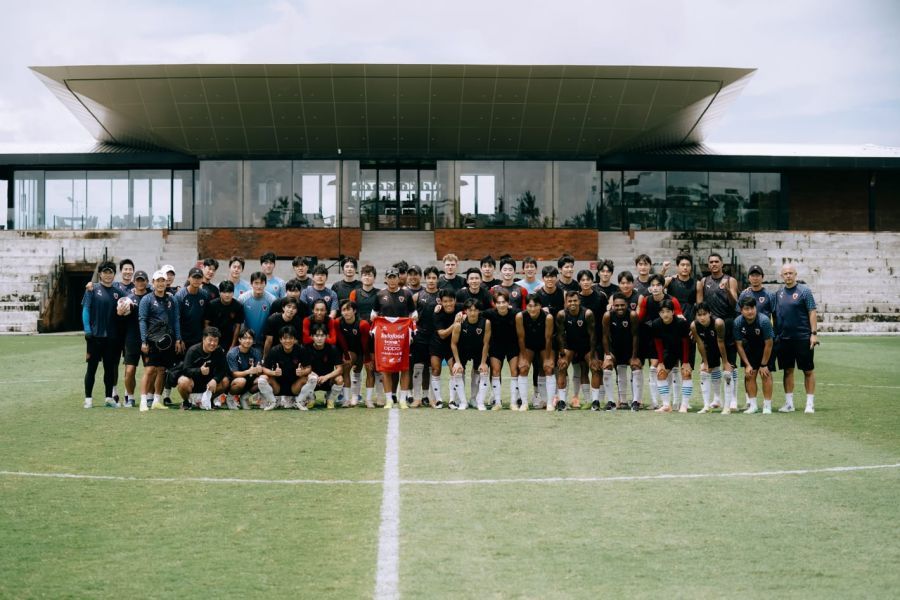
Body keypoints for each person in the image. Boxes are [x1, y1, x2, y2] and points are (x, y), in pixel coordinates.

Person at [774, 263, 818, 414]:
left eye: (791, 273)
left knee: (808, 370)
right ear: (781, 276)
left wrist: (813, 333)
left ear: (795, 275)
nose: (788, 276)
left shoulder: (804, 291)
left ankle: (810, 404)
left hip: (803, 337)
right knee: (787, 371)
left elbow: (812, 311)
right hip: (784, 339)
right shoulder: (778, 293)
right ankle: (789, 404)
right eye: (785, 273)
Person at [697, 252, 739, 410]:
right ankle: (716, 398)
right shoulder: (703, 281)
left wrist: (728, 290)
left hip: (728, 323)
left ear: (722, 264)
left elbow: (735, 303)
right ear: (708, 265)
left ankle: (733, 399)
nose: (714, 264)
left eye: (716, 261)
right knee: (712, 364)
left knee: (730, 363)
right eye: (711, 262)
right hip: (710, 325)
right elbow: (699, 305)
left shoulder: (730, 280)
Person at [371, 266, 417, 409]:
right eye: (389, 277)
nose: (392, 280)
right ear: (385, 279)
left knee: (404, 367)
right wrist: (372, 316)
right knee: (386, 368)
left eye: (394, 277)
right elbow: (374, 312)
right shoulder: (379, 295)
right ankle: (389, 399)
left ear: (399, 278)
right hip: (386, 337)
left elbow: (412, 311)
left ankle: (402, 399)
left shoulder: (406, 294)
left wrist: (414, 316)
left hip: (402, 337)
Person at [636, 274, 684, 409]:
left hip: (671, 338)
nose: (655, 288)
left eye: (658, 285)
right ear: (650, 288)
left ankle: (676, 402)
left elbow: (680, 316)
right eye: (653, 285)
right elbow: (639, 318)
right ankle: (655, 402)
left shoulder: (672, 300)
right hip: (654, 337)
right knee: (653, 368)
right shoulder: (646, 300)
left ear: (663, 287)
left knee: (674, 368)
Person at [81, 260, 123, 408]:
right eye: (105, 272)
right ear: (100, 274)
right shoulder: (92, 289)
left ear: (114, 274)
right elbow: (86, 309)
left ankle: (108, 398)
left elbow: (130, 300)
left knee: (109, 369)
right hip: (95, 337)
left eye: (110, 272)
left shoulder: (118, 292)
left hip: (111, 338)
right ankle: (88, 399)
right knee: (91, 368)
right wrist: (87, 330)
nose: (108, 275)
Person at [138, 270, 180, 412]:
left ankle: (157, 400)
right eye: (158, 281)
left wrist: (178, 338)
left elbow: (176, 321)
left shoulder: (171, 299)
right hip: (152, 340)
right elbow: (142, 321)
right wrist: (144, 341)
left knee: (162, 370)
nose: (161, 283)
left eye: (163, 280)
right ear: (153, 282)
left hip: (168, 341)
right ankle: (143, 401)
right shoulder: (147, 299)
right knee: (150, 370)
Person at [664, 253, 699, 408]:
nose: (685, 267)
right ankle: (672, 400)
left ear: (691, 267)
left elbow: (700, 306)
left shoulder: (696, 284)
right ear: (677, 266)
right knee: (670, 367)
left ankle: (684, 402)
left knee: (687, 366)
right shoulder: (670, 282)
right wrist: (663, 272)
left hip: (689, 328)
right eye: (682, 265)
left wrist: (695, 327)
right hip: (672, 328)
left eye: (688, 265)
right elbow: (654, 287)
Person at [555, 291, 597, 411]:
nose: (572, 303)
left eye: (575, 300)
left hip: (586, 346)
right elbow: (560, 335)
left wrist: (593, 355)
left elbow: (593, 335)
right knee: (562, 366)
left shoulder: (587, 313)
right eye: (569, 301)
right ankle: (562, 401)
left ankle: (593, 401)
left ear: (579, 301)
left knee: (594, 368)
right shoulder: (561, 314)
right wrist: (562, 353)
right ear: (566, 303)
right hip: (570, 346)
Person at [734, 295, 776, 415]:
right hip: (749, 349)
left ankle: (767, 405)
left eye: (752, 308)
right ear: (741, 310)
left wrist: (764, 364)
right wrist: (747, 365)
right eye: (746, 309)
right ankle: (753, 405)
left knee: (766, 375)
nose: (750, 311)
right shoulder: (738, 322)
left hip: (765, 349)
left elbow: (769, 343)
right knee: (750, 375)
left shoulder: (764, 320)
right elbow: (739, 345)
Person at [649, 299, 692, 413]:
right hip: (670, 349)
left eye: (668, 311)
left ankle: (684, 405)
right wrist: (661, 362)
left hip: (685, 349)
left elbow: (686, 343)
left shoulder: (681, 323)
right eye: (662, 312)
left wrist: (686, 362)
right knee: (661, 373)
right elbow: (658, 343)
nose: (665, 314)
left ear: (673, 312)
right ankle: (666, 405)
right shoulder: (656, 324)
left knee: (686, 373)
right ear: (659, 314)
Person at [601, 292, 641, 411]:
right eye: (617, 305)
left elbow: (635, 336)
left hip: (629, 349)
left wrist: (634, 356)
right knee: (607, 366)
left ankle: (635, 402)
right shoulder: (607, 316)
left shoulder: (632, 315)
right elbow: (605, 336)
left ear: (627, 304)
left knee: (636, 366)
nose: (619, 308)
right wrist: (608, 354)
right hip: (614, 349)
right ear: (613, 305)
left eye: (622, 305)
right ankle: (611, 402)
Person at [451, 299, 492, 410]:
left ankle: (478, 401)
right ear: (466, 311)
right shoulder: (459, 324)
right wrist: (458, 362)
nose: (473, 313)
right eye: (470, 310)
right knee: (458, 371)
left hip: (479, 350)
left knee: (483, 371)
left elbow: (486, 344)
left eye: (475, 310)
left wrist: (483, 363)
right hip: (462, 350)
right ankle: (463, 402)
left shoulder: (486, 323)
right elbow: (453, 344)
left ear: (479, 311)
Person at [576, 268, 608, 407]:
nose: (586, 282)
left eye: (588, 279)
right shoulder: (576, 298)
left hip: (598, 338)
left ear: (592, 281)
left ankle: (598, 400)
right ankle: (588, 400)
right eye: (583, 280)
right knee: (583, 368)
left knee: (597, 368)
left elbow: (604, 319)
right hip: (580, 339)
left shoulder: (600, 296)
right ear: (579, 282)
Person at [516, 295, 555, 410]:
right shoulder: (520, 316)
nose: (533, 309)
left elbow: (548, 338)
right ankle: (524, 403)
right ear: (526, 306)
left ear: (540, 306)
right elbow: (521, 338)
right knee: (523, 367)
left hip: (544, 345)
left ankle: (548, 403)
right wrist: (523, 357)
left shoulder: (548, 317)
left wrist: (547, 358)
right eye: (530, 306)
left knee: (548, 367)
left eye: (536, 306)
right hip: (528, 345)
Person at [175, 327, 229, 410]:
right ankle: (186, 402)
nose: (212, 343)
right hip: (193, 384)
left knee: (225, 381)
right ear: (203, 339)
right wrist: (199, 370)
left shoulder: (219, 351)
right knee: (182, 381)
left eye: (215, 341)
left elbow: (223, 369)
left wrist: (215, 379)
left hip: (210, 384)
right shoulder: (193, 350)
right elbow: (185, 370)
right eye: (210, 340)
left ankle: (209, 400)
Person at [691, 302, 730, 414]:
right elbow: (700, 344)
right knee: (704, 372)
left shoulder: (718, 323)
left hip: (726, 345)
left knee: (727, 373)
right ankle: (707, 405)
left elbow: (721, 342)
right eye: (699, 315)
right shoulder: (694, 326)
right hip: (710, 346)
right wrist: (705, 362)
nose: (702, 317)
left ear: (710, 314)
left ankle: (727, 407)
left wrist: (725, 362)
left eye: (704, 314)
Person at [350, 264, 381, 404]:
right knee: (357, 366)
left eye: (370, 275)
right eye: (365, 275)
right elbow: (350, 313)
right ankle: (355, 396)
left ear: (374, 278)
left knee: (373, 367)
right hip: (357, 334)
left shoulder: (380, 293)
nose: (367, 277)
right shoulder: (355, 293)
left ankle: (373, 398)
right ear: (361, 277)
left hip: (374, 335)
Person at [119, 270, 151, 407]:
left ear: (147, 282)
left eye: (143, 280)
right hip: (131, 338)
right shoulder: (127, 299)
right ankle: (130, 397)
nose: (140, 282)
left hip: (148, 338)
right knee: (130, 370)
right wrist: (120, 313)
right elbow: (119, 317)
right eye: (138, 280)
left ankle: (149, 397)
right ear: (134, 282)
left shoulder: (151, 298)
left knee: (150, 369)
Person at [484, 288, 519, 410]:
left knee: (514, 372)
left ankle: (514, 402)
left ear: (508, 302)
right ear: (494, 304)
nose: (501, 305)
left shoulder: (516, 313)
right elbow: (474, 313)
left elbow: (530, 313)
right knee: (495, 372)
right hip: (496, 346)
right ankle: (497, 402)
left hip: (512, 346)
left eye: (504, 302)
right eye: (498, 302)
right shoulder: (489, 313)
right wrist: (461, 314)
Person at [429, 288, 464, 409]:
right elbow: (442, 334)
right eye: (445, 301)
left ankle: (452, 401)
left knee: (453, 370)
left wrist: (464, 314)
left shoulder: (461, 308)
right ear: (441, 302)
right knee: (436, 369)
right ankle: (438, 400)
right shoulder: (437, 312)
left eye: (450, 300)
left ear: (455, 300)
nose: (448, 304)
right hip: (437, 343)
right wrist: (455, 323)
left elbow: (475, 309)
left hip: (452, 345)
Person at [410, 267, 440, 407]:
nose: (432, 280)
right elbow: (410, 316)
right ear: (425, 279)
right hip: (420, 335)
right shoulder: (417, 296)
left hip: (436, 336)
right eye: (429, 278)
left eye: (434, 278)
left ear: (437, 279)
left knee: (432, 367)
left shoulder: (441, 297)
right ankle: (416, 398)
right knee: (418, 366)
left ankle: (429, 397)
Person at [297, 325, 345, 410]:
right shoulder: (305, 349)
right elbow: (302, 368)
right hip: (311, 379)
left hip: (327, 380)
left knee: (340, 379)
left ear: (327, 336)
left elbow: (340, 369)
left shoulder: (333, 349)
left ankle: (330, 399)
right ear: (312, 336)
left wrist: (326, 377)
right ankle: (311, 398)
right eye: (317, 335)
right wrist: (313, 376)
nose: (319, 338)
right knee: (301, 376)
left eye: (322, 336)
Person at [335, 300, 371, 408]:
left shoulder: (363, 324)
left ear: (354, 311)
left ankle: (356, 397)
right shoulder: (337, 322)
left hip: (361, 349)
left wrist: (367, 359)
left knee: (358, 371)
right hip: (346, 349)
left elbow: (365, 343)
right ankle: (346, 399)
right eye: (343, 310)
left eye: (348, 309)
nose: (346, 312)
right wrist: (346, 355)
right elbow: (341, 340)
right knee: (345, 369)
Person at [259, 326, 304, 410]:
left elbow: (309, 368)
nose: (288, 341)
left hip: (295, 386)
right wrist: (273, 373)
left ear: (294, 339)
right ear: (280, 340)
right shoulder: (274, 350)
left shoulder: (300, 350)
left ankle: (300, 401)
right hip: (277, 386)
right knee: (262, 379)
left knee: (312, 377)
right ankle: (272, 401)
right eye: (285, 338)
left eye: (291, 338)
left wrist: (302, 372)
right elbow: (264, 369)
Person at [226, 327, 264, 409]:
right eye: (244, 338)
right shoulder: (232, 353)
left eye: (250, 338)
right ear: (239, 339)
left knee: (263, 380)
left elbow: (259, 370)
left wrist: (259, 370)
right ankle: (230, 399)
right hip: (234, 382)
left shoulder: (256, 352)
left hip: (250, 380)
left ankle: (244, 398)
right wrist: (248, 371)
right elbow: (234, 374)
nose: (247, 340)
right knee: (241, 381)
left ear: (253, 340)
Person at [238, 271, 276, 351]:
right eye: (256, 283)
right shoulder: (242, 299)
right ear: (251, 284)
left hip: (263, 341)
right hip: (246, 340)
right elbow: (239, 322)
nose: (259, 286)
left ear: (265, 284)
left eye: (261, 283)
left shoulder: (272, 300)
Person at [174, 267, 210, 352]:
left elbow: (206, 319)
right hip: (184, 338)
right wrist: (179, 339)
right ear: (189, 278)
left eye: (199, 278)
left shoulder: (204, 294)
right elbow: (176, 319)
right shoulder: (180, 296)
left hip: (199, 338)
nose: (196, 280)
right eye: (194, 277)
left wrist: (205, 337)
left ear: (202, 279)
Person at [203, 280, 244, 349]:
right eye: (224, 292)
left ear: (233, 293)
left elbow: (238, 326)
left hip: (229, 339)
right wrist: (210, 340)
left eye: (229, 292)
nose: (227, 295)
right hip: (214, 337)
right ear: (219, 292)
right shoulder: (212, 305)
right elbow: (206, 323)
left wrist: (233, 345)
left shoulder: (238, 306)